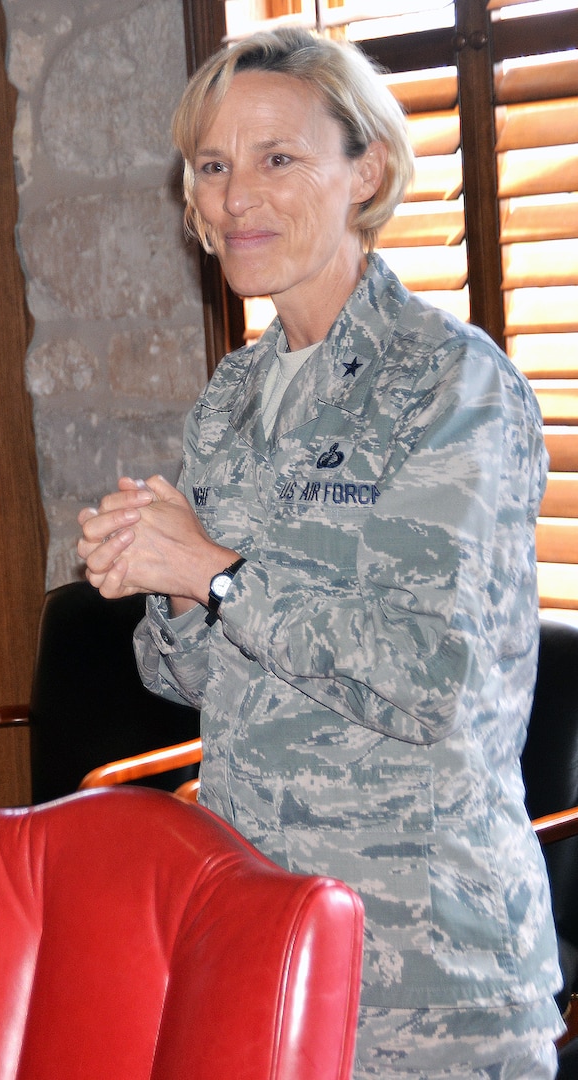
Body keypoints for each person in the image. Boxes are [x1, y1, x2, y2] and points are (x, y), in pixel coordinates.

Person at [78, 27, 563, 1080]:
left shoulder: (451, 385)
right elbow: (186, 679)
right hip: (262, 938)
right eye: (211, 166)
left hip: (422, 974)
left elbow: (434, 681)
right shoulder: (237, 395)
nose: (235, 195)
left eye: (277, 158)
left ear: (366, 171)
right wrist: (158, 579)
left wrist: (213, 571)